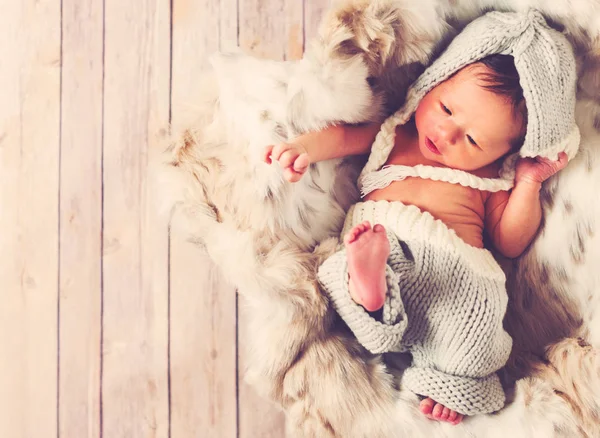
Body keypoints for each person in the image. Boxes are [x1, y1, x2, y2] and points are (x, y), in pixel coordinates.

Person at [264, 10, 579, 425]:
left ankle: (455, 378)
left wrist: (528, 183)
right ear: (436, 80)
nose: (446, 134)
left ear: (505, 153)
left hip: (456, 276)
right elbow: (342, 136)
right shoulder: (395, 132)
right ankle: (371, 291)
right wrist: (305, 148)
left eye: (471, 139)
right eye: (447, 108)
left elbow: (510, 241)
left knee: (478, 324)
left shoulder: (489, 180)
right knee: (338, 269)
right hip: (384, 245)